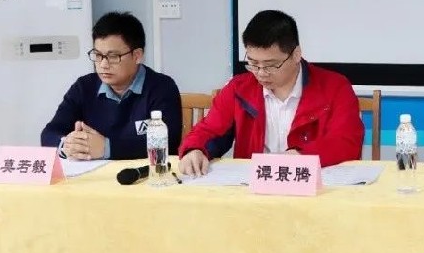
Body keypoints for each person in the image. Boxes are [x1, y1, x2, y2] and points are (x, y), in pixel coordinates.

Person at [178, 10, 363, 174]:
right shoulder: (238, 89)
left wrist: (301, 156)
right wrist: (194, 149)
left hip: (313, 187)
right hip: (255, 188)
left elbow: (347, 141)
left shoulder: (335, 87)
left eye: (271, 65)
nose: (261, 73)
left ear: (296, 54)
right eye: (253, 63)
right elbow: (209, 130)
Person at [41, 11, 182, 160]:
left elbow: (169, 142)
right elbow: (49, 133)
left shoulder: (162, 87)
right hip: (94, 173)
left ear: (137, 56)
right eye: (98, 55)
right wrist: (69, 145)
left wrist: (107, 148)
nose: (103, 64)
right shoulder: (83, 87)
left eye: (113, 56)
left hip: (144, 173)